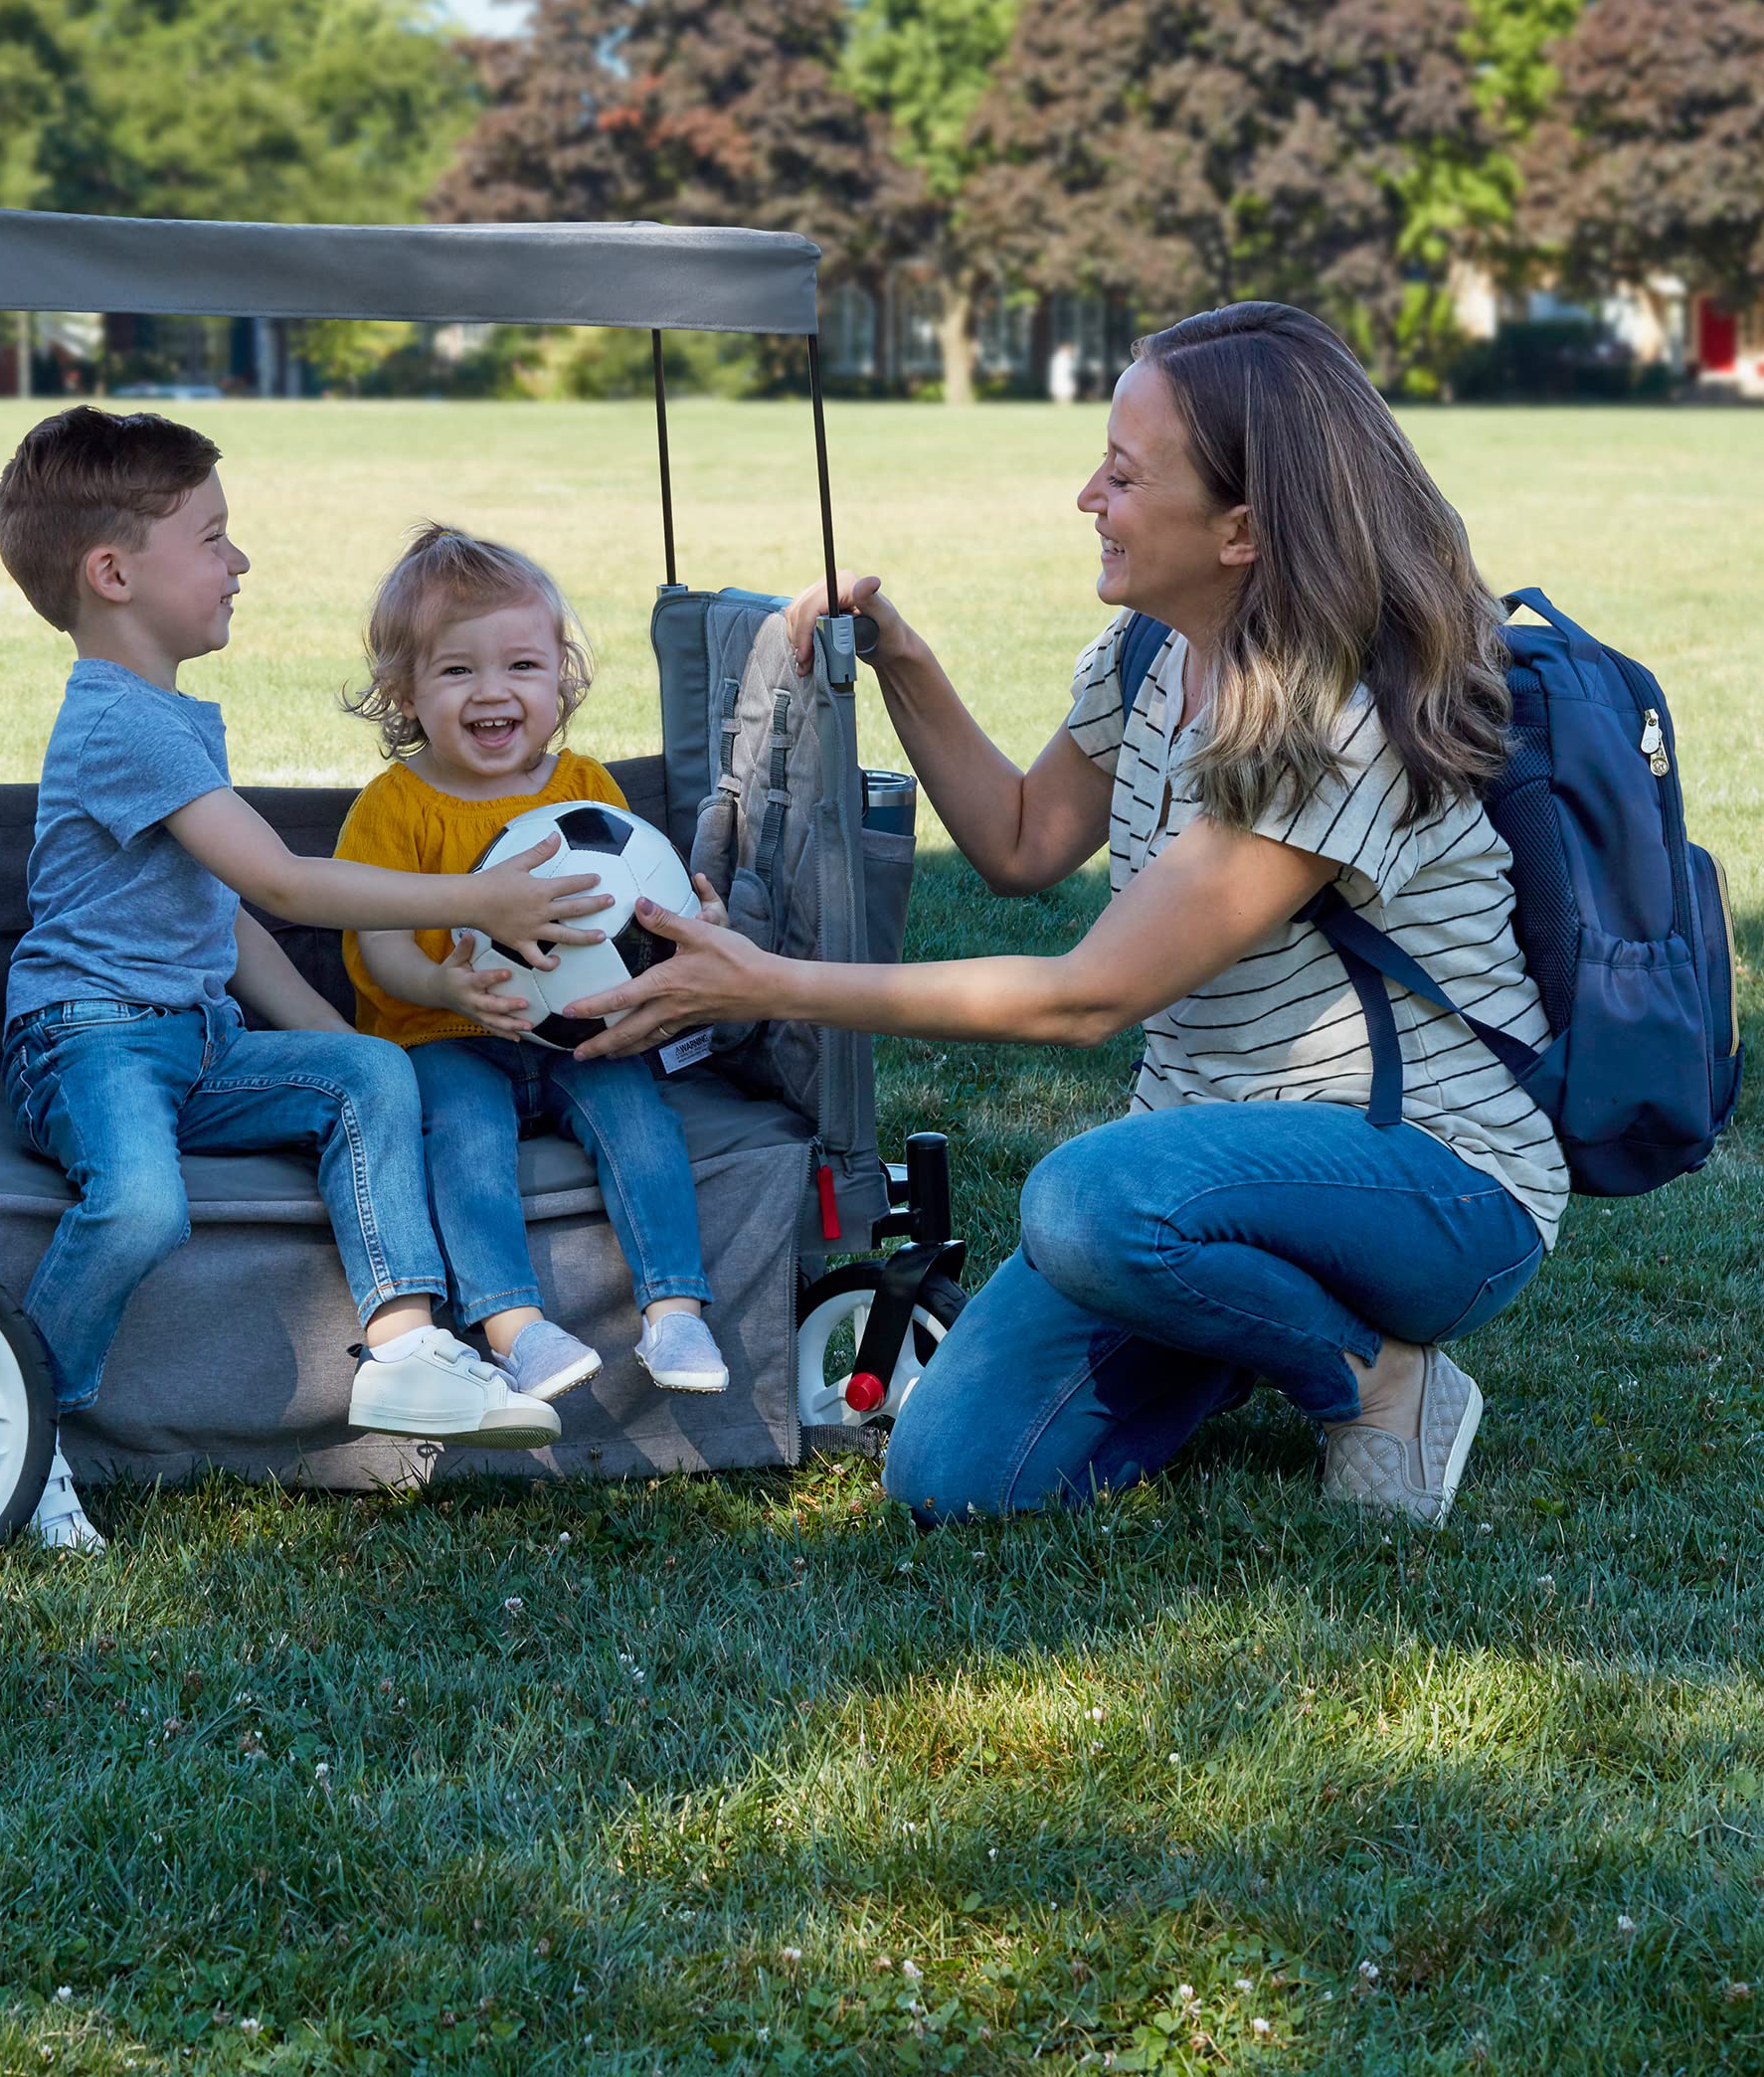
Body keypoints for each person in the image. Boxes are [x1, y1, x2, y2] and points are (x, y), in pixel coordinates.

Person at [569, 302, 1565, 1527]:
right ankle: (1233, 1313)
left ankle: (1379, 1376)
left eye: (1125, 473)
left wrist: (761, 980)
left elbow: (1087, 996)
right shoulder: (1153, 652)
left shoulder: (1333, 723)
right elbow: (1026, 840)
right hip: (1195, 1168)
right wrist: (901, 659)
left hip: (1433, 1182)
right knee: (955, 1480)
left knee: (1087, 1203)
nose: (1086, 495)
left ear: (1243, 528)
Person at [0, 410, 614, 1548]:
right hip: (86, 1039)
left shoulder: (169, 714)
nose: (240, 562)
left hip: (197, 1036)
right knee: (139, 1204)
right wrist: (480, 899)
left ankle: (402, 1351)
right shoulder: (122, 724)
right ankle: (20, 1426)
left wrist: (341, 1043)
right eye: (215, 538)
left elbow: (220, 913)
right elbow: (280, 881)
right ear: (115, 572)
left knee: (364, 1072)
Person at [333, 525, 731, 1402]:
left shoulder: (586, 790)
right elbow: (377, 943)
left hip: (580, 1033)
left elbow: (638, 906)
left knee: (641, 1121)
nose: (493, 692)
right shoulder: (394, 808)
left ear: (562, 679)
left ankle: (675, 1311)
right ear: (405, 690)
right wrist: (443, 983)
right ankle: (516, 1328)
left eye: (521, 667)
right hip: (446, 1037)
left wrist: (685, 926)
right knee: (464, 1142)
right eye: (457, 671)